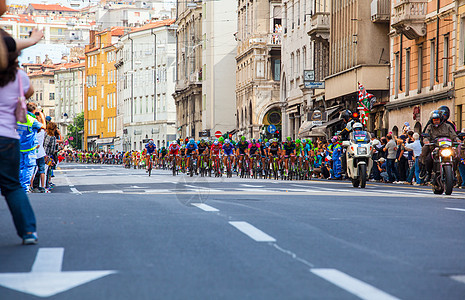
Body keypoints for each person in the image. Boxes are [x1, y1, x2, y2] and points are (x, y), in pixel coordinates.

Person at [0, 37, 38, 244]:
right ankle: (28, 231)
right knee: (13, 187)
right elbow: (29, 92)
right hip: (7, 137)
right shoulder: (19, 76)